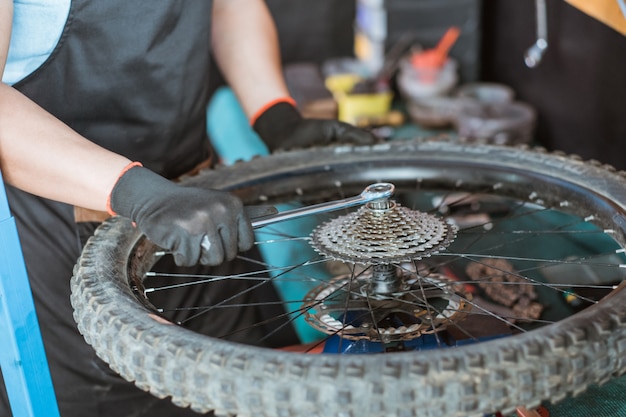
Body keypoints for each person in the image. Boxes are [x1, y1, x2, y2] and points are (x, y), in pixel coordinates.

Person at [0, 1, 375, 416]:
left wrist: (275, 117)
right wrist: (136, 192)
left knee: (257, 390)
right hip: (66, 239)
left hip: (202, 209)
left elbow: (229, 7)